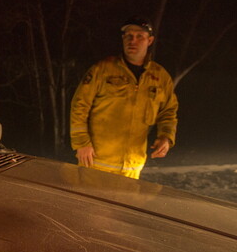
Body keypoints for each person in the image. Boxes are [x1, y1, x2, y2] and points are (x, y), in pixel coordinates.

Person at [69, 16, 178, 179]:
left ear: (150, 41)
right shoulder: (103, 70)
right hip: (96, 162)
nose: (132, 41)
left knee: (122, 205)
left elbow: (168, 111)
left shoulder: (160, 77)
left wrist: (166, 137)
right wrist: (81, 143)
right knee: (91, 205)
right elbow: (79, 105)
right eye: (128, 36)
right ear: (123, 39)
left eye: (139, 36)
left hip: (132, 166)